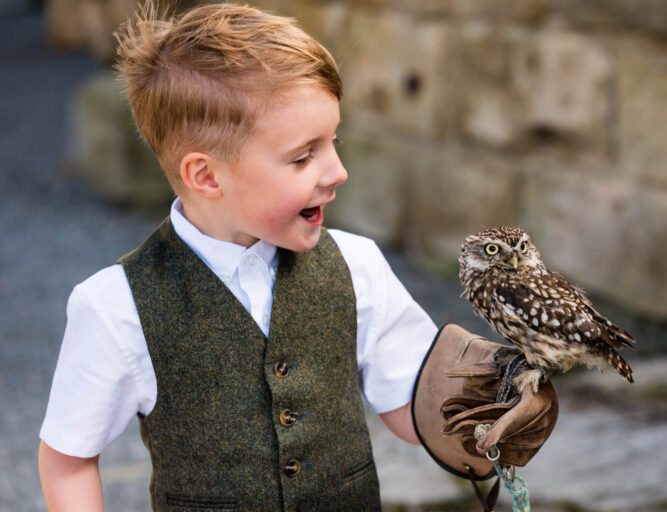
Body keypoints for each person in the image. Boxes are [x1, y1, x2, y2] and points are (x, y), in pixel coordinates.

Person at [38, 3, 556, 511]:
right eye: (303, 156)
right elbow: (67, 459)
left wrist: (488, 413)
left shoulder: (357, 265)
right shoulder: (115, 306)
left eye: (334, 141)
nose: (337, 171)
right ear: (206, 177)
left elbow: (410, 406)